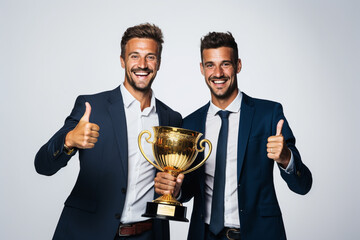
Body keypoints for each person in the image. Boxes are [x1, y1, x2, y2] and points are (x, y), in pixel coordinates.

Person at [154, 32, 312, 240]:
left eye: (225, 64)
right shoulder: (191, 124)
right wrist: (176, 190)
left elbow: (303, 185)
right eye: (210, 65)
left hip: (259, 235)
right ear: (202, 69)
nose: (217, 73)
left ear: (238, 65)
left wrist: (286, 158)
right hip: (205, 235)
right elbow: (190, 186)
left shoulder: (269, 114)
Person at [35, 23, 182, 240]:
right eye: (134, 56)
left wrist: (176, 189)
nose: (142, 64)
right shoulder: (91, 108)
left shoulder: (171, 119)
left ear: (158, 63)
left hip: (148, 234)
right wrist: (68, 140)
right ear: (122, 60)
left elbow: (178, 184)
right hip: (88, 232)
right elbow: (42, 165)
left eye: (150, 57)